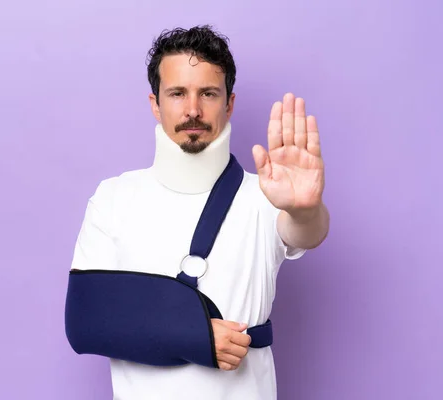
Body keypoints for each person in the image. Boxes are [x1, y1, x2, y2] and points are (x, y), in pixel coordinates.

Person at [68, 25, 330, 400]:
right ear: (155, 104)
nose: (193, 109)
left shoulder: (266, 194)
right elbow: (85, 323)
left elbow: (306, 231)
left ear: (229, 103)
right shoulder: (113, 197)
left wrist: (305, 209)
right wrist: (196, 337)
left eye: (208, 93)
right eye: (177, 93)